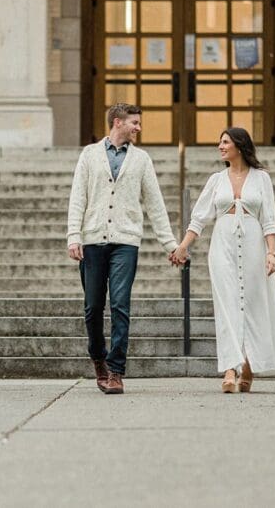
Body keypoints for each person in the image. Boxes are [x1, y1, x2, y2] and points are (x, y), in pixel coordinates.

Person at [171, 127, 275, 392]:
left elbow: (268, 219)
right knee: (227, 307)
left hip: (254, 244)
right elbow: (199, 219)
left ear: (239, 145)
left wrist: (271, 253)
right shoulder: (216, 180)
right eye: (220, 142)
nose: (220, 146)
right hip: (222, 245)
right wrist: (183, 247)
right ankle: (230, 370)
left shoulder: (261, 179)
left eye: (225, 142)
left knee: (253, 305)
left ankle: (249, 365)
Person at [67, 103, 179, 394]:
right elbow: (78, 196)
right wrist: (73, 235)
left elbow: (155, 204)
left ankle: (116, 371)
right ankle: (98, 359)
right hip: (92, 240)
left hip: (126, 241)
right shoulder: (89, 154)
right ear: (118, 122)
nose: (138, 128)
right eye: (134, 123)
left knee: (120, 304)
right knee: (93, 307)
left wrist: (170, 244)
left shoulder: (141, 159)